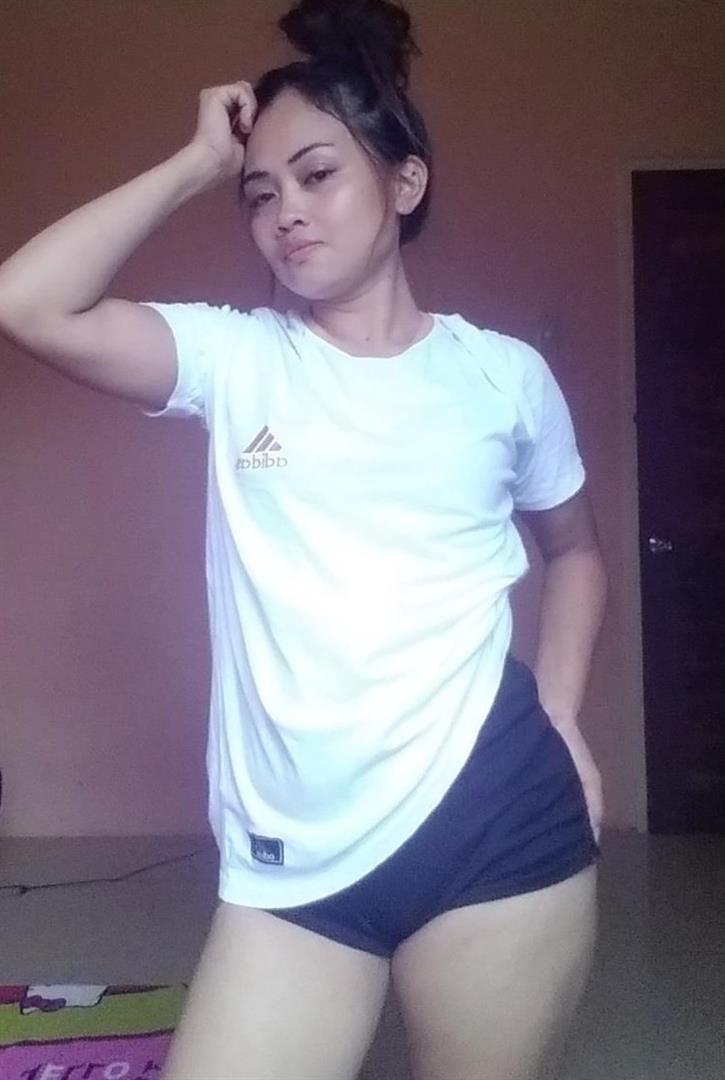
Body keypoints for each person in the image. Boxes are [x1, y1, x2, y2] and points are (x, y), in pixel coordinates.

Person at [0, 0, 608, 1076]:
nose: (285, 211)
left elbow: (575, 551)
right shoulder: (236, 360)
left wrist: (559, 716)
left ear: (404, 183)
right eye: (259, 192)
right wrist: (196, 163)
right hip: (291, 864)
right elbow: (25, 302)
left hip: (496, 817)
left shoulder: (503, 377)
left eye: (317, 174)